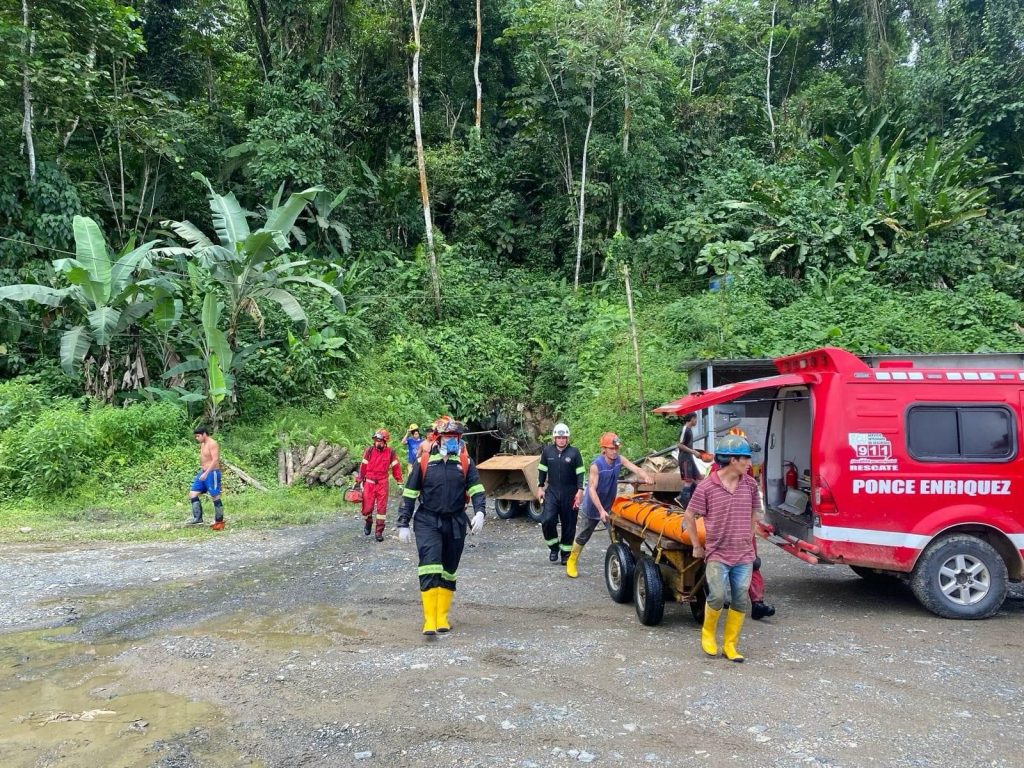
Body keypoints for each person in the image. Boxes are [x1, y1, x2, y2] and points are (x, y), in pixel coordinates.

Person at [397, 417, 487, 635]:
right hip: (428, 520)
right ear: (438, 439)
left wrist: (480, 511)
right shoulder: (424, 461)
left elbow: (476, 488)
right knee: (430, 565)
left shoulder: (464, 462)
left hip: (455, 521)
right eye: (448, 437)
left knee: (449, 569)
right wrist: (403, 523)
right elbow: (410, 493)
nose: (452, 441)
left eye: (455, 437)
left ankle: (442, 617)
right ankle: (430, 619)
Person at [684, 433, 760, 662]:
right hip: (717, 553)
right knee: (717, 596)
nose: (749, 463)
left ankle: (730, 645)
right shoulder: (707, 487)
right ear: (733, 460)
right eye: (746, 458)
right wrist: (696, 545)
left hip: (743, 554)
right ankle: (708, 634)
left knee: (740, 598)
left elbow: (755, 512)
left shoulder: (750, 484)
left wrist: (749, 535)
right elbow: (689, 515)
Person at [565, 432, 653, 579]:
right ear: (604, 449)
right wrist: (600, 510)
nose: (614, 451)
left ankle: (622, 565)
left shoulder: (619, 460)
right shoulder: (596, 465)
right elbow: (591, 489)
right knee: (583, 535)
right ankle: (572, 560)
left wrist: (645, 476)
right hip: (593, 507)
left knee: (616, 536)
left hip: (609, 506)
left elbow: (635, 468)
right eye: (611, 448)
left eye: (616, 448)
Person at [536, 423, 585, 564]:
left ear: (567, 438)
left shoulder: (574, 453)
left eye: (564, 437)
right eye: (559, 437)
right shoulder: (547, 452)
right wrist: (540, 487)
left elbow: (581, 473)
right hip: (552, 492)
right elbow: (542, 470)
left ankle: (565, 553)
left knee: (569, 525)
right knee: (547, 520)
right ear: (554, 438)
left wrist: (580, 491)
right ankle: (553, 548)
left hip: (570, 494)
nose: (561, 440)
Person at [356, 429, 403, 542]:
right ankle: (368, 521)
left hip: (382, 483)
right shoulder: (369, 451)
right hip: (369, 483)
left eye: (380, 441)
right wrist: (359, 480)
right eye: (376, 440)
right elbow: (363, 466)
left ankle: (379, 532)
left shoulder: (390, 453)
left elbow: (396, 467)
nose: (377, 443)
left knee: (381, 509)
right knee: (366, 508)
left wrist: (399, 481)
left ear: (385, 441)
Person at [189, 425, 225, 530]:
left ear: (204, 434)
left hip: (212, 472)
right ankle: (198, 518)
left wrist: (207, 473)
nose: (197, 438)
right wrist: (203, 471)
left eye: (198, 436)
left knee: (215, 495)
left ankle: (219, 521)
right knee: (193, 493)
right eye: (196, 436)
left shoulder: (212, 443)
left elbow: (215, 460)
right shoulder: (203, 444)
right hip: (203, 472)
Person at [675, 413, 709, 509]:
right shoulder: (685, 429)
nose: (696, 421)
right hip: (685, 459)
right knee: (688, 481)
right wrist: (693, 452)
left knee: (699, 479)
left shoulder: (689, 430)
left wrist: (696, 453)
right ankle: (682, 500)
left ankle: (697, 502)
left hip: (690, 458)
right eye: (696, 419)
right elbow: (679, 445)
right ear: (692, 419)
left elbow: (687, 446)